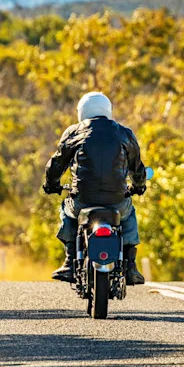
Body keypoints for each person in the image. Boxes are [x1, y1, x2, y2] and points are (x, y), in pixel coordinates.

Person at [42, 91, 147, 285]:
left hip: (83, 200)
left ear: (82, 111)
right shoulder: (124, 133)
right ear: (107, 110)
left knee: (67, 210)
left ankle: (69, 262)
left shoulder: (74, 132)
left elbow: (56, 163)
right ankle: (131, 266)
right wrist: (139, 186)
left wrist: (51, 185)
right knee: (129, 214)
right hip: (116, 200)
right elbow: (137, 168)